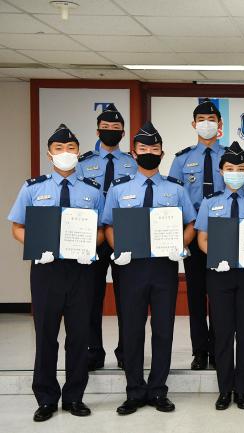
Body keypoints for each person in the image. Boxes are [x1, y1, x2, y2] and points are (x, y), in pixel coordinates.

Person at [8, 124, 104, 421]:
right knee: (46, 334)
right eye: (59, 149)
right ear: (50, 154)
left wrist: (91, 244)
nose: (66, 154)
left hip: (80, 270)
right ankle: (47, 398)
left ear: (78, 153)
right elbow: (17, 228)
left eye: (71, 149)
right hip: (46, 269)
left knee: (79, 335)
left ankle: (75, 396)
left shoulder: (92, 191)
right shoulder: (33, 187)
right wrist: (38, 245)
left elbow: (101, 231)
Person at [102, 122, 196, 415]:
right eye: (143, 149)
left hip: (164, 267)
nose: (149, 153)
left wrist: (181, 244)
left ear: (162, 153)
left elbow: (191, 223)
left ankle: (157, 390)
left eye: (155, 149)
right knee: (131, 329)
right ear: (134, 152)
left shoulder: (175, 189)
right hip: (130, 268)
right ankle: (134, 390)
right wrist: (119, 250)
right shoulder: (120, 189)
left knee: (163, 330)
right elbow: (108, 225)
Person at [195, 141, 244, 411]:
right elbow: (202, 238)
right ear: (221, 171)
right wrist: (215, 255)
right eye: (229, 168)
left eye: (240, 168)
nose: (235, 172)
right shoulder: (210, 202)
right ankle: (224, 389)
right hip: (220, 274)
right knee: (223, 332)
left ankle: (242, 390)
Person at [77, 103, 137, 371]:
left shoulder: (132, 163)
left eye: (116, 128)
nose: (110, 131)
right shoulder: (82, 163)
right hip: (90, 235)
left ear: (123, 133)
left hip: (124, 234)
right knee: (90, 296)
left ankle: (126, 351)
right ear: (98, 130)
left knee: (127, 296)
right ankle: (93, 351)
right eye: (106, 127)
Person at [169, 98, 225, 370]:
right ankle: (200, 351)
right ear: (193, 124)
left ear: (220, 124)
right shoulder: (182, 160)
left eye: (211, 120)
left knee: (221, 295)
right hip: (192, 235)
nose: (206, 124)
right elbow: (173, 201)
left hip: (223, 235)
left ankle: (219, 349)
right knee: (195, 295)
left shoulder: (231, 157)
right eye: (201, 120)